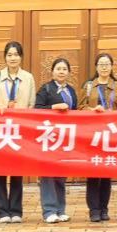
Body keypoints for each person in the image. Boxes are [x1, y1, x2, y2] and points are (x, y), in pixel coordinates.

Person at [0, 41, 36, 224]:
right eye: (9, 55)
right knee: (0, 171)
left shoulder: (28, 78)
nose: (13, 58)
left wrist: (24, 115)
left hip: (19, 129)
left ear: (21, 57)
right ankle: (2, 211)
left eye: (16, 54)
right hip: (1, 129)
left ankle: (16, 210)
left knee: (17, 171)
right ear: (5, 57)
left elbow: (32, 104)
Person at [80, 52, 117, 222]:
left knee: (106, 173)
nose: (104, 67)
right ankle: (94, 210)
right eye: (101, 64)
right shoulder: (89, 86)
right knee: (92, 172)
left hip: (111, 135)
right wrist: (92, 110)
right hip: (93, 135)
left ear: (111, 67)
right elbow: (80, 107)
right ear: (96, 67)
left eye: (107, 64)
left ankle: (104, 208)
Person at [35, 57, 77, 223]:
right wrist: (53, 107)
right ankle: (49, 210)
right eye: (58, 69)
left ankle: (60, 209)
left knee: (61, 174)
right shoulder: (45, 89)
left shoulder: (71, 90)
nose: (61, 72)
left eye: (64, 69)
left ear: (68, 72)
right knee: (48, 175)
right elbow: (37, 109)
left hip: (64, 137)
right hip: (48, 137)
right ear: (52, 71)